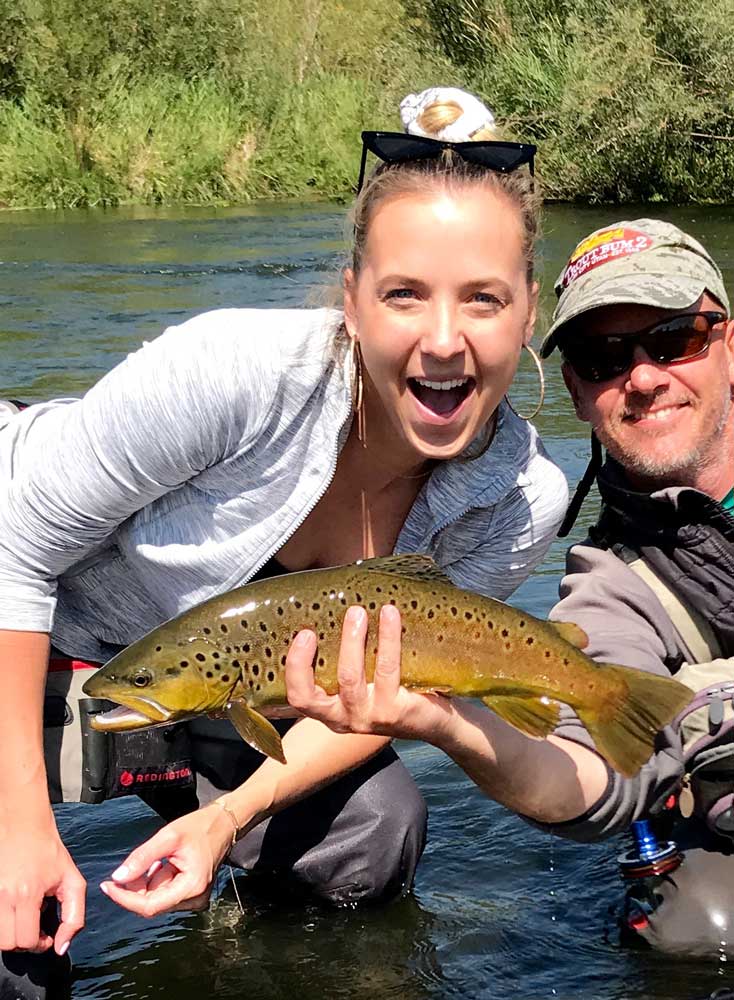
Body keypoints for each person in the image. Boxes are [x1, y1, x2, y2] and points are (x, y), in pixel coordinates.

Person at [0, 85, 567, 993]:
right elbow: (14, 544)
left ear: (528, 311)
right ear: (350, 299)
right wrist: (19, 829)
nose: (446, 340)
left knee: (367, 836)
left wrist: (222, 824)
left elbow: (392, 694)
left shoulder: (518, 500)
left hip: (203, 695)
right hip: (28, 614)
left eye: (485, 299)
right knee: (18, 962)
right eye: (405, 295)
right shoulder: (231, 373)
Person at [282, 218, 734, 958]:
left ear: (730, 345)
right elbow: (594, 782)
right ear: (578, 393)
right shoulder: (612, 586)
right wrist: (451, 727)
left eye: (676, 339)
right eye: (604, 356)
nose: (645, 376)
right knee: (694, 931)